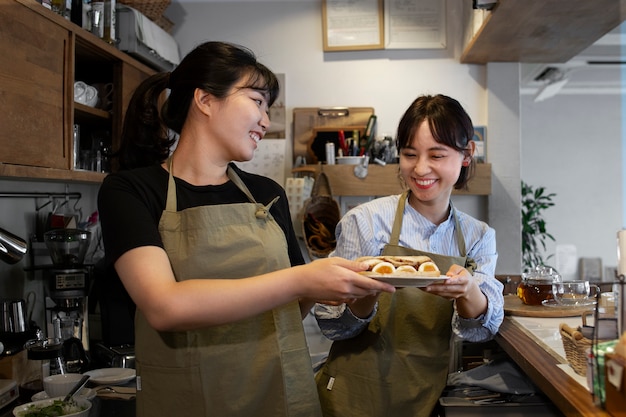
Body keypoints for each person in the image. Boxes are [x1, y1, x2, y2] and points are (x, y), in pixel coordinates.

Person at [97, 41, 395, 417]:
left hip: (281, 392)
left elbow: (290, 308)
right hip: (190, 398)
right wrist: (302, 280)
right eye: (257, 101)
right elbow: (164, 306)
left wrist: (336, 285)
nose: (266, 121)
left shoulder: (266, 194)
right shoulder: (131, 191)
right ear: (205, 100)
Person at [314, 94, 505, 417]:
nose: (420, 169)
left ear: (466, 154)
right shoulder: (366, 221)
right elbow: (332, 327)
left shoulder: (478, 237)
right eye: (409, 154)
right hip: (354, 394)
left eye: (436, 155)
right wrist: (368, 291)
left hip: (424, 396)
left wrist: (468, 290)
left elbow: (480, 331)